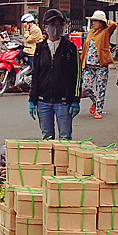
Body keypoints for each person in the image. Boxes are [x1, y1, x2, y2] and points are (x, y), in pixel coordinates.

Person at [28, 9, 81, 140]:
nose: (55, 28)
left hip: (63, 102)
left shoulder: (70, 48)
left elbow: (77, 74)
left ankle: (64, 161)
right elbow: (35, 74)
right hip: (43, 101)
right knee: (47, 137)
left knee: (65, 138)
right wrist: (32, 100)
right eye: (52, 25)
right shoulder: (40, 48)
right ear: (45, 27)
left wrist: (75, 100)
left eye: (59, 25)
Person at [81, 9, 117, 120]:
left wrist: (105, 20)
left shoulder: (106, 32)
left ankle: (99, 110)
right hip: (88, 65)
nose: (93, 23)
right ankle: (96, 102)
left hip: (101, 64)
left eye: (96, 21)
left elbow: (114, 25)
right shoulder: (91, 32)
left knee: (101, 88)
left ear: (101, 22)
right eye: (93, 21)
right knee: (86, 86)